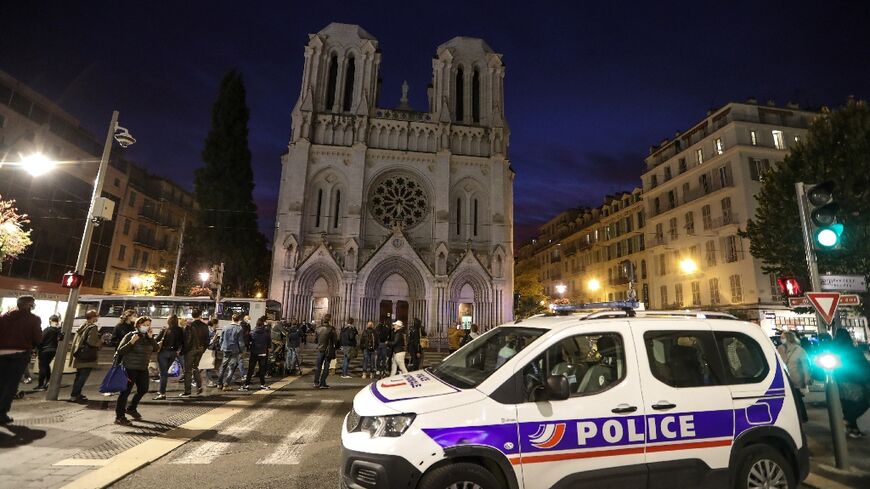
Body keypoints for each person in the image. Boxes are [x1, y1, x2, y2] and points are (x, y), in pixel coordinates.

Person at [0, 296, 42, 424]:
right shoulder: (33, 319)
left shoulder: (3, 317)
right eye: (33, 304)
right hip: (19, 355)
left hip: (1, 353)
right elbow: (38, 338)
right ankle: (1, 413)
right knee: (11, 385)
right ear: (29, 305)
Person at [115, 317, 159, 425]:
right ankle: (119, 416)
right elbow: (120, 351)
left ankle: (131, 408)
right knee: (125, 392)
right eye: (145, 324)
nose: (147, 327)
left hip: (143, 368)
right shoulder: (131, 335)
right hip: (130, 368)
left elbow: (156, 349)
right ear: (139, 325)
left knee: (143, 389)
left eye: (149, 325)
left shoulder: (148, 337)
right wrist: (131, 342)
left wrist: (151, 338)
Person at [833, 329, 870, 438]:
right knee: (864, 402)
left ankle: (853, 430)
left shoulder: (834, 350)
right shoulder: (852, 350)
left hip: (840, 382)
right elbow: (862, 366)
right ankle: (848, 420)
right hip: (854, 381)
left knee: (847, 405)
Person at [69, 310, 102, 403]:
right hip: (87, 356)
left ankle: (76, 394)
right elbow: (91, 342)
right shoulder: (93, 327)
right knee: (83, 377)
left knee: (78, 376)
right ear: (93, 317)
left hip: (80, 354)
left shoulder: (83, 325)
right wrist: (101, 341)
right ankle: (74, 395)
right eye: (96, 316)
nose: (97, 318)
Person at [153, 314, 183, 400]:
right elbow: (182, 342)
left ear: (169, 321)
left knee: (163, 373)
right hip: (173, 353)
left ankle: (162, 393)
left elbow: (157, 340)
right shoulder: (180, 330)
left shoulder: (165, 329)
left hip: (164, 352)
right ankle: (161, 390)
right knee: (165, 372)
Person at [181, 309, 210, 397]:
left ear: (192, 315)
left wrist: (183, 350)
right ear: (200, 315)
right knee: (195, 367)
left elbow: (187, 340)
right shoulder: (205, 326)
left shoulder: (189, 325)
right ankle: (199, 386)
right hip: (200, 349)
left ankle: (187, 391)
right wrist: (203, 348)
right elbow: (207, 339)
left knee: (187, 371)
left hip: (191, 350)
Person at [34, 314, 63, 391]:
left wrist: (36, 349)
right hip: (53, 350)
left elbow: (40, 340)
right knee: (46, 366)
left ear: (50, 321)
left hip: (44, 350)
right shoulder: (58, 331)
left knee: (42, 367)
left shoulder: (47, 330)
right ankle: (48, 381)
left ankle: (40, 385)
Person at [216, 314, 245, 391]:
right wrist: (242, 350)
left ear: (232, 318)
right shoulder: (239, 328)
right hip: (234, 350)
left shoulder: (225, 327)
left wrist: (222, 346)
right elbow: (240, 341)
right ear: (239, 320)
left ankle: (219, 384)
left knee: (223, 366)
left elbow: (221, 339)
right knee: (231, 368)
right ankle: (226, 385)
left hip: (225, 349)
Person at [242, 316, 272, 390]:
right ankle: (263, 384)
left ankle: (246, 385)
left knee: (251, 369)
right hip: (263, 353)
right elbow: (269, 344)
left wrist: (249, 347)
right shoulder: (266, 333)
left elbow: (248, 341)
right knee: (262, 369)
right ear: (263, 324)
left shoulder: (252, 332)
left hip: (254, 352)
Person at [313, 314, 337, 389]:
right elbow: (335, 341)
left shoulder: (318, 328)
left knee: (318, 367)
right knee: (326, 367)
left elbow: (315, 340)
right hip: (327, 351)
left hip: (320, 350)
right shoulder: (331, 329)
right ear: (329, 319)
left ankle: (316, 382)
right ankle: (322, 383)